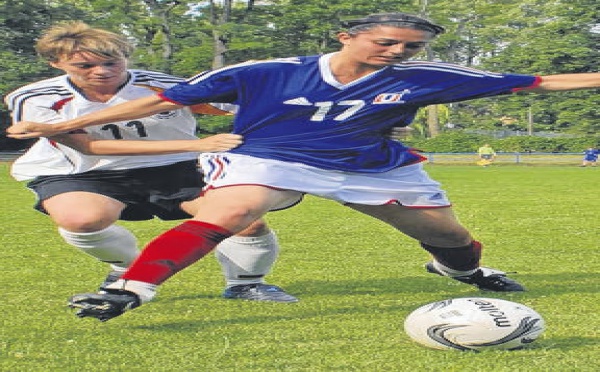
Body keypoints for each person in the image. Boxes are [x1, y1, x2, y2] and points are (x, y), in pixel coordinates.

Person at [8, 12, 600, 322]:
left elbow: (540, 81)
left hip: (374, 166)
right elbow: (167, 100)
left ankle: (467, 276)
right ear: (347, 36)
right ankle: (133, 289)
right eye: (385, 43)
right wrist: (59, 128)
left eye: (407, 48)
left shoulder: (428, 78)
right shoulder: (269, 69)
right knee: (235, 210)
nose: (395, 53)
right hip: (270, 158)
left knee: (448, 237)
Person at [3, 22, 298, 304]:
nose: (102, 72)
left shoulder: (162, 85)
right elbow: (90, 147)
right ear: (56, 63)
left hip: (177, 168)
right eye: (85, 66)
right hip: (86, 171)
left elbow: (233, 104)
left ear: (125, 57)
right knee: (81, 219)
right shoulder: (36, 96)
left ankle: (246, 284)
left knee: (248, 221)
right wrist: (199, 145)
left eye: (112, 62)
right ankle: (128, 270)